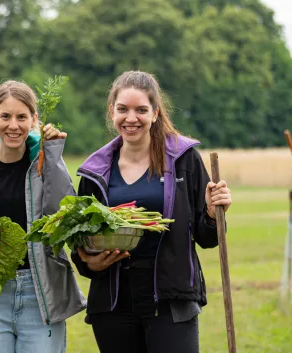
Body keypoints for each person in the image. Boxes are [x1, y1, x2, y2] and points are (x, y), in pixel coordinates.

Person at [71, 70, 233, 353]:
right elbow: (82, 244)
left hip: (171, 300)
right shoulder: (96, 171)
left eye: (141, 110)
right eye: (123, 109)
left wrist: (211, 211)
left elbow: (208, 238)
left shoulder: (183, 160)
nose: (130, 118)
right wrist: (88, 262)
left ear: (155, 113)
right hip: (113, 304)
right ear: (112, 112)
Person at [0, 80, 87, 353]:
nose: (13, 125)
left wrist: (53, 154)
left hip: (41, 293)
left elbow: (62, 212)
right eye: (5, 116)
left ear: (34, 119)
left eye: (22, 117)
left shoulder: (44, 161)